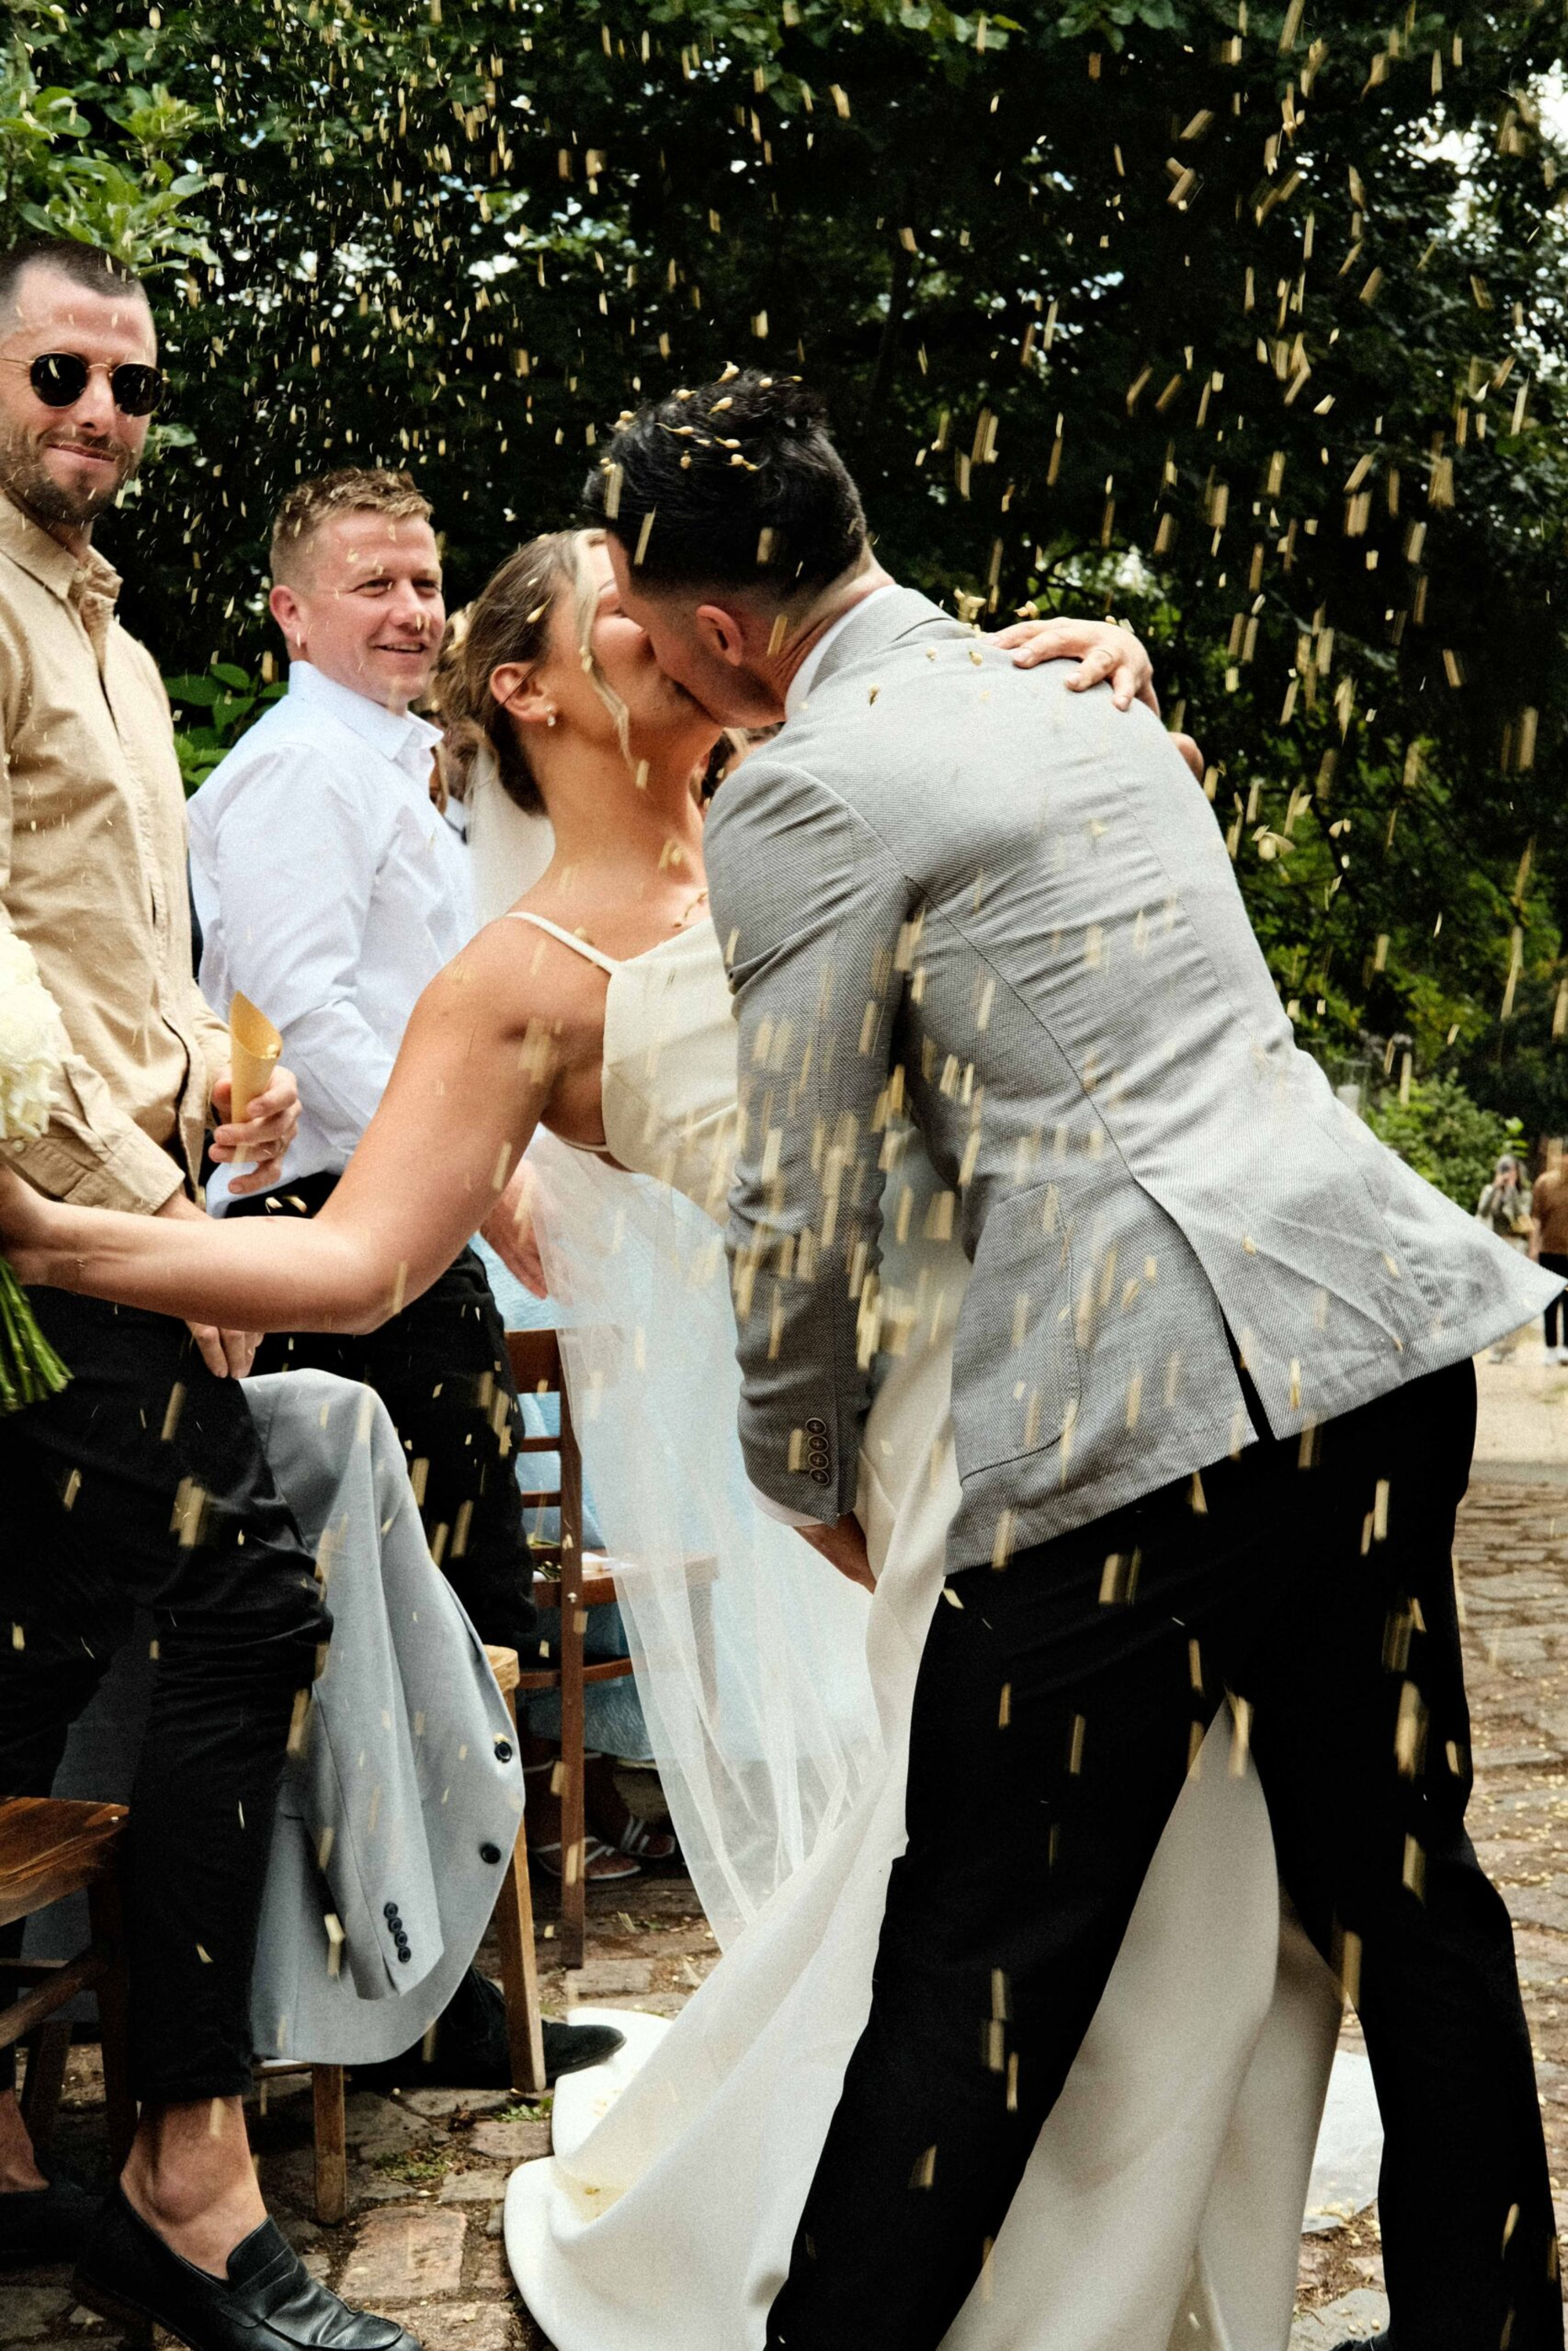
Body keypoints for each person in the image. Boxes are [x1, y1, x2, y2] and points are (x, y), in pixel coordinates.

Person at [0, 530, 1366, 2351]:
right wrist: (48, 1235)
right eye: (616, 598)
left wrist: (1109, 684)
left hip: (1113, 1379)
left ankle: (1150, 2277)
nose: (669, 613)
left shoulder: (831, 797)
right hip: (928, 1457)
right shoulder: (515, 977)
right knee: (1101, 1866)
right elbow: (351, 1256)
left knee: (1212, 1863)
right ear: (535, 687)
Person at [586, 372, 1566, 2351]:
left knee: (978, 1948)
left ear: (712, 632)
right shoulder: (1076, 697)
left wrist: (805, 1467)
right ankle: (1493, 2325)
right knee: (1405, 1883)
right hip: (1370, 1352)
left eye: (638, 612)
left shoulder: (796, 791)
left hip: (1145, 1428)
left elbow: (804, 1197)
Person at [0, 234, 416, 2351]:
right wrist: (132, 1215)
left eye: (133, 385)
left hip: (130, 1212)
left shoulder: (125, 653)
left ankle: (29, 2140)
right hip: (25, 1233)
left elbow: (133, 964)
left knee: (74, 1642)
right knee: (243, 1592)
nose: (98, 410)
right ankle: (185, 2170)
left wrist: (207, 1150)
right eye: (59, 368)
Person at [188, 464, 634, 2054]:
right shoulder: (297, 773)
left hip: (405, 1237)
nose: (411, 608)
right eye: (370, 580)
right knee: (403, 1632)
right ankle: (407, 1990)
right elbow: (299, 1011)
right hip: (332, 1249)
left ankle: (453, 1981)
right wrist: (472, 1173)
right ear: (290, 609)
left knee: (472, 1615)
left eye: (425, 579)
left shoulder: (404, 771)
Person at [1475, 1152, 1534, 1362]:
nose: (1507, 1173)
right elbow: (1482, 1212)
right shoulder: (1489, 1191)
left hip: (1514, 1246)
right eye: (1503, 1169)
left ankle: (1510, 1348)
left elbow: (1522, 1218)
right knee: (1494, 1298)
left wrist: (1511, 1190)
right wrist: (1496, 1188)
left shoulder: (1524, 1195)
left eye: (1511, 1169)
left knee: (1514, 1297)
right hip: (1495, 1246)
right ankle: (1496, 1347)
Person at [1531, 1140, 1568, 1362]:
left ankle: (1566, 1346)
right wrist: (1534, 1247)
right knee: (1551, 1301)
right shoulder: (1545, 1183)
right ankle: (1550, 1346)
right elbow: (1536, 1218)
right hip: (1550, 1251)